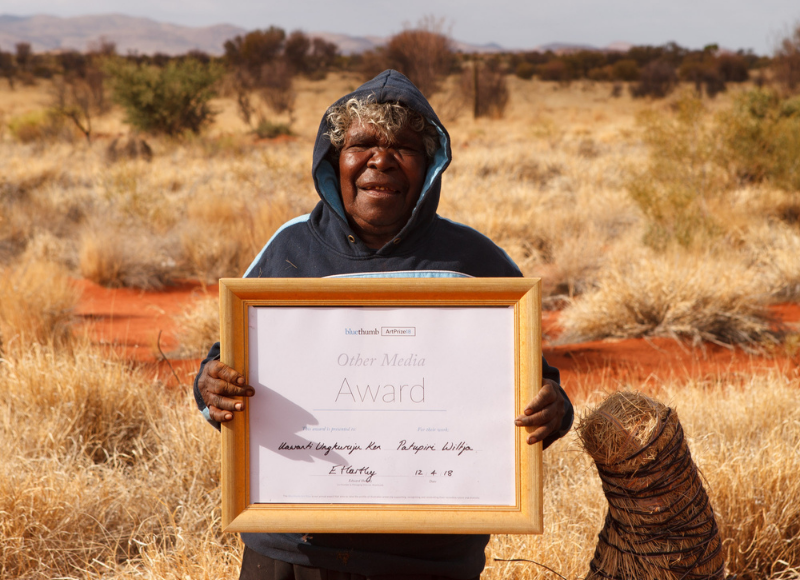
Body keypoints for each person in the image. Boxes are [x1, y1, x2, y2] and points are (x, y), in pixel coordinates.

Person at [194, 69, 574, 580]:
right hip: (293, 550)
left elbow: (535, 385)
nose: (381, 159)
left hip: (429, 555)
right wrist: (209, 386)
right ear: (335, 159)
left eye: (404, 147)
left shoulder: (475, 263)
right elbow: (224, 363)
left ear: (430, 165)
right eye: (362, 144)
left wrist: (554, 409)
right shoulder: (289, 252)